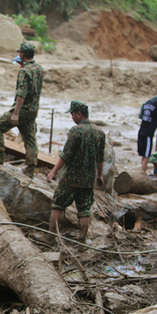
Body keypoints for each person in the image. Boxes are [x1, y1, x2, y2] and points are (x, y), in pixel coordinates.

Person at [47, 101, 105, 248]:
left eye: (72, 114)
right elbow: (100, 158)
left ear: (79, 114)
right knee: (85, 209)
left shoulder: (76, 131)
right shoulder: (100, 133)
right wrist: (99, 175)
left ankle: (51, 237)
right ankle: (82, 241)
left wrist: (54, 171)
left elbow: (66, 155)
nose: (72, 117)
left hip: (70, 178)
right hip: (88, 179)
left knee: (58, 205)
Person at [0, 41, 44, 176]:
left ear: (22, 54)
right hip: (33, 110)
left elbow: (21, 94)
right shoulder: (39, 68)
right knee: (30, 138)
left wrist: (15, 114)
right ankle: (30, 167)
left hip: (22, 110)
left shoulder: (24, 71)